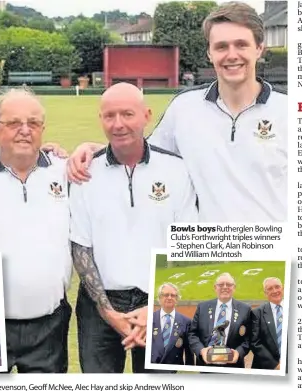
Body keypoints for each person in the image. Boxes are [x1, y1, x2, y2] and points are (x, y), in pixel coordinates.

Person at [66, 1, 287, 223]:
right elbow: (147, 156)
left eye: (241, 45)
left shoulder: (288, 110)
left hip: (277, 254)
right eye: (221, 46)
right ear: (209, 52)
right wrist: (92, 150)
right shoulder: (184, 108)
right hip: (211, 253)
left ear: (259, 48)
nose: (231, 55)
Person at [70, 82, 198, 374]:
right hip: (99, 305)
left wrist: (156, 307)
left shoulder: (177, 170)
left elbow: (187, 245)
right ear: (100, 119)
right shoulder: (84, 172)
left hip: (159, 299)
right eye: (109, 116)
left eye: (127, 114)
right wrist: (108, 311)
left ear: (146, 115)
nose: (118, 124)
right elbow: (81, 247)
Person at [0, 88, 72, 373]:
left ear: (43, 129)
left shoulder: (66, 171)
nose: (25, 131)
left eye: (33, 123)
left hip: (49, 324)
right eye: (13, 123)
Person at [188, 273, 251, 369]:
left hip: (233, 367)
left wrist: (238, 352)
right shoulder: (203, 307)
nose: (225, 287)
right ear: (215, 287)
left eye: (229, 284)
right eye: (221, 285)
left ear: (234, 287)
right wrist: (201, 351)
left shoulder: (245, 309)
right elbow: (192, 334)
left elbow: (249, 338)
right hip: (206, 366)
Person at [150, 283, 194, 369]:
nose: (169, 298)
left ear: (177, 299)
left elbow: (189, 353)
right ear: (159, 298)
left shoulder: (186, 322)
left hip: (175, 371)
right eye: (166, 295)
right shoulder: (150, 319)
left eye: (173, 295)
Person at [251, 277, 284, 370]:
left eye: (277, 287)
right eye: (270, 289)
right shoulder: (257, 313)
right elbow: (255, 342)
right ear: (265, 293)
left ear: (283, 288)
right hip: (268, 367)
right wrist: (274, 365)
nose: (275, 291)